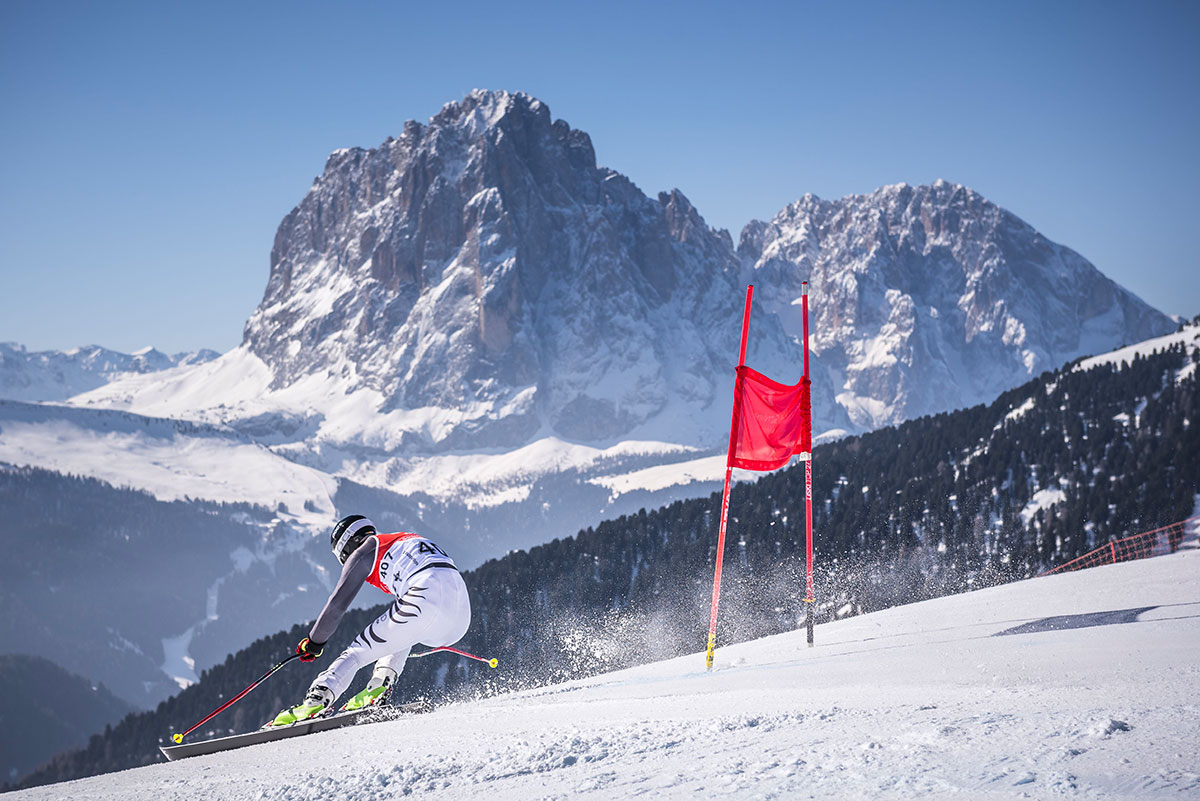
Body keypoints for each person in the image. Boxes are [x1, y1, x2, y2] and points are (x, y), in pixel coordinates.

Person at [267, 515, 471, 725]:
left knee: (357, 652)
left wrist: (314, 642)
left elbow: (337, 605)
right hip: (460, 616)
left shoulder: (364, 551)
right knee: (404, 632)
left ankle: (315, 702)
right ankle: (379, 685)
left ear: (346, 547)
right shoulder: (402, 540)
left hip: (426, 594)